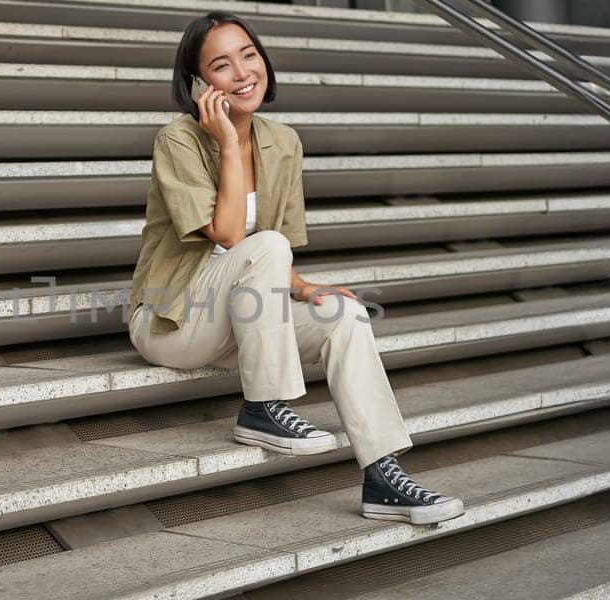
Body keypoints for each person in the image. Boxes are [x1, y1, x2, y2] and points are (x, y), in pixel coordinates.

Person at [126, 11, 465, 526]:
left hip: (240, 318)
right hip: (172, 320)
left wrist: (308, 290)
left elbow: (267, 257)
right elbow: (232, 237)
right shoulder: (178, 140)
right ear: (198, 84)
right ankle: (264, 407)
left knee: (347, 318)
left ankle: (383, 476)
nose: (242, 73)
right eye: (222, 65)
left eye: (249, 56)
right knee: (264, 243)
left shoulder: (282, 143)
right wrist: (226, 145)